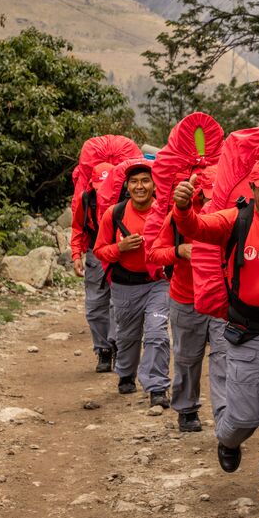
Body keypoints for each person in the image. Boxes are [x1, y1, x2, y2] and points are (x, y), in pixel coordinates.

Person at [172, 155, 259, 512]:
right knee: (241, 419)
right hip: (247, 338)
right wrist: (184, 208)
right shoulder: (236, 219)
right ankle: (228, 440)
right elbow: (197, 229)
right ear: (252, 189)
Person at [148, 170, 228, 433]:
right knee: (187, 358)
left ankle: (226, 418)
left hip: (222, 302)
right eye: (206, 193)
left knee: (224, 357)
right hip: (185, 299)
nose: (210, 199)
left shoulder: (233, 217)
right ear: (199, 193)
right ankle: (186, 408)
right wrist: (179, 251)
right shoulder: (177, 218)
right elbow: (155, 254)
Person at [93, 162, 172, 407]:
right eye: (135, 181)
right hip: (124, 286)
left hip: (158, 284)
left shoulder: (164, 214)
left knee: (157, 333)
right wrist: (120, 248)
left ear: (154, 185)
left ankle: (157, 386)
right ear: (127, 186)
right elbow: (99, 251)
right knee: (127, 337)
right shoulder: (114, 214)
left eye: (145, 181)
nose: (140, 186)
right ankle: (126, 371)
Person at [70, 161, 116, 373]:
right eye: (98, 187)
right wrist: (75, 254)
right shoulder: (86, 199)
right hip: (95, 252)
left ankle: (120, 345)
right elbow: (78, 227)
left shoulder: (124, 198)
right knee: (96, 305)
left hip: (120, 251)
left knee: (120, 303)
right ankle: (103, 350)